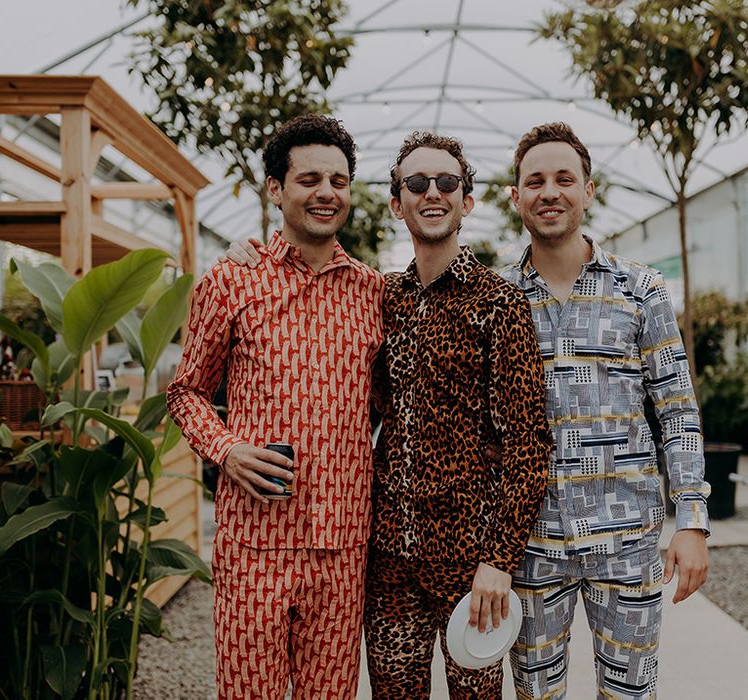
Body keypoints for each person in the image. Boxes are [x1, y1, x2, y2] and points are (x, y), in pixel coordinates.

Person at [226, 132, 553, 699]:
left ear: (466, 200)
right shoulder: (382, 296)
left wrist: (498, 561)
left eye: (447, 182)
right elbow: (358, 400)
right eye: (417, 183)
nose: (433, 193)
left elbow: (528, 444)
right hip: (388, 563)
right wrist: (247, 255)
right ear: (398, 202)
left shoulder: (499, 303)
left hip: (469, 566)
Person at [167, 114, 385, 699]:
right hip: (253, 543)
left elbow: (391, 402)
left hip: (342, 546)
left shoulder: (373, 292)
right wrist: (227, 449)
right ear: (275, 188)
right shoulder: (231, 282)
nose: (326, 193)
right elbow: (185, 391)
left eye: (338, 181)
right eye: (309, 178)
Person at [500, 122, 710, 700]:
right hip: (532, 546)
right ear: (514, 196)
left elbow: (677, 410)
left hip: (629, 541)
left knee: (629, 695)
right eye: (534, 180)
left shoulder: (640, 288)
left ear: (588, 190)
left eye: (564, 178)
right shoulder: (499, 299)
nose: (550, 192)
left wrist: (690, 521)